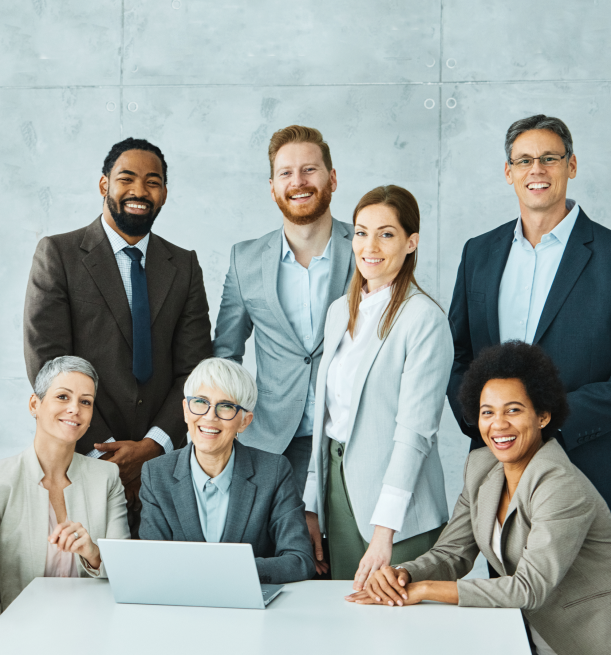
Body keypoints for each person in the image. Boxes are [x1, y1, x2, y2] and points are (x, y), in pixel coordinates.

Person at [349, 342, 611, 655]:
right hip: (520, 631)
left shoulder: (560, 485)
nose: (498, 424)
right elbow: (452, 554)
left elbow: (528, 588)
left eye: (513, 410)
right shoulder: (481, 466)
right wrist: (404, 575)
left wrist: (424, 589)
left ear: (542, 416)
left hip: (585, 639)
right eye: (488, 412)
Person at [24, 138, 213, 525]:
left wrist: (152, 447)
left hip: (164, 465)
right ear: (104, 185)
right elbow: (49, 363)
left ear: (164, 194)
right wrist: (105, 452)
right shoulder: (58, 254)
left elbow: (195, 372)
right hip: (79, 456)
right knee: (86, 573)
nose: (139, 191)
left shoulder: (185, 266)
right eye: (126, 178)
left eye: (153, 182)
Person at [447, 114, 611, 506]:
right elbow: (455, 354)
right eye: (524, 160)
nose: (536, 170)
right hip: (496, 474)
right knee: (502, 570)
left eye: (549, 158)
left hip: (587, 468)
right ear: (509, 172)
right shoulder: (479, 253)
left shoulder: (607, 256)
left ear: (571, 165)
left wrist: (547, 425)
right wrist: (485, 423)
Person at [304, 185, 453, 585]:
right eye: (361, 231)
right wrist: (313, 502)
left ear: (411, 242)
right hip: (337, 490)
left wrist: (384, 530)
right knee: (343, 620)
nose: (370, 245)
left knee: (397, 629)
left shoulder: (424, 319)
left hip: (398, 509)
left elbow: (415, 434)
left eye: (386, 233)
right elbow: (327, 417)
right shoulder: (340, 311)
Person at [213, 125, 355, 496]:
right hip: (270, 441)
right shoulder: (245, 260)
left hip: (348, 436)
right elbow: (226, 355)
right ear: (273, 186)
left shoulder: (365, 249)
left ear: (332, 178)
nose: (299, 181)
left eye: (310, 169)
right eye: (286, 173)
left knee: (340, 554)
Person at [139, 357, 315, 584]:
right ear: (185, 410)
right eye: (201, 402)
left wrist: (229, 571)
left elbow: (299, 560)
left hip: (251, 610)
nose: (210, 416)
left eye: (226, 406)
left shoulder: (274, 471)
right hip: (181, 608)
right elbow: (152, 562)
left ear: (245, 421)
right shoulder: (156, 474)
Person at [0, 356, 130, 613]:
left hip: (91, 629)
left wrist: (92, 553)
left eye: (85, 402)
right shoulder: (4, 479)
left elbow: (124, 572)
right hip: (17, 631)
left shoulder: (107, 477)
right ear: (34, 404)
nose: (75, 409)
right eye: (63, 397)